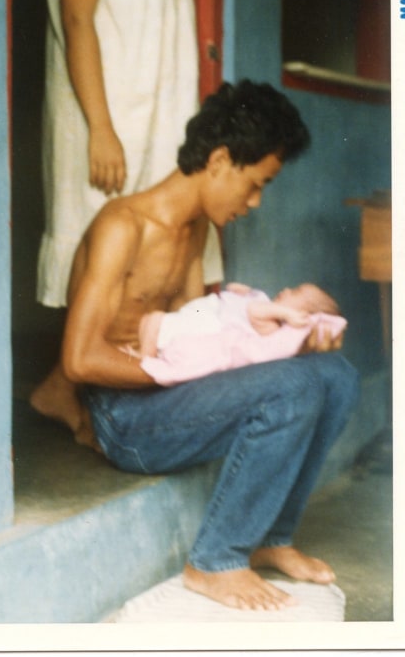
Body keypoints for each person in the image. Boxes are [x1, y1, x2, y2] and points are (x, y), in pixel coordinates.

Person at [38, 80, 359, 611]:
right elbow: (78, 360)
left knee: (336, 376)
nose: (254, 203)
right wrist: (178, 371)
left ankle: (271, 538)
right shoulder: (123, 226)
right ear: (219, 160)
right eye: (255, 184)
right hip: (124, 418)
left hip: (170, 400)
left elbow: (208, 337)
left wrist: (295, 339)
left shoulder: (194, 231)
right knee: (293, 386)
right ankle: (215, 561)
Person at [36, 0, 224, 310]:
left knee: (147, 249)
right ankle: (70, 382)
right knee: (99, 243)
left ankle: (118, 375)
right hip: (105, 121)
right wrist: (100, 127)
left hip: (154, 120)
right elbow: (77, 24)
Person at [136, 281, 348, 386]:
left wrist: (286, 314)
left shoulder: (272, 326)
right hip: (207, 311)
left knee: (154, 320)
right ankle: (146, 354)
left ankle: (145, 358)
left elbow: (253, 311)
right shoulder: (269, 307)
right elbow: (248, 303)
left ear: (301, 315)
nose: (286, 289)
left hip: (210, 322)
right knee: (150, 321)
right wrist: (244, 292)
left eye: (295, 292)